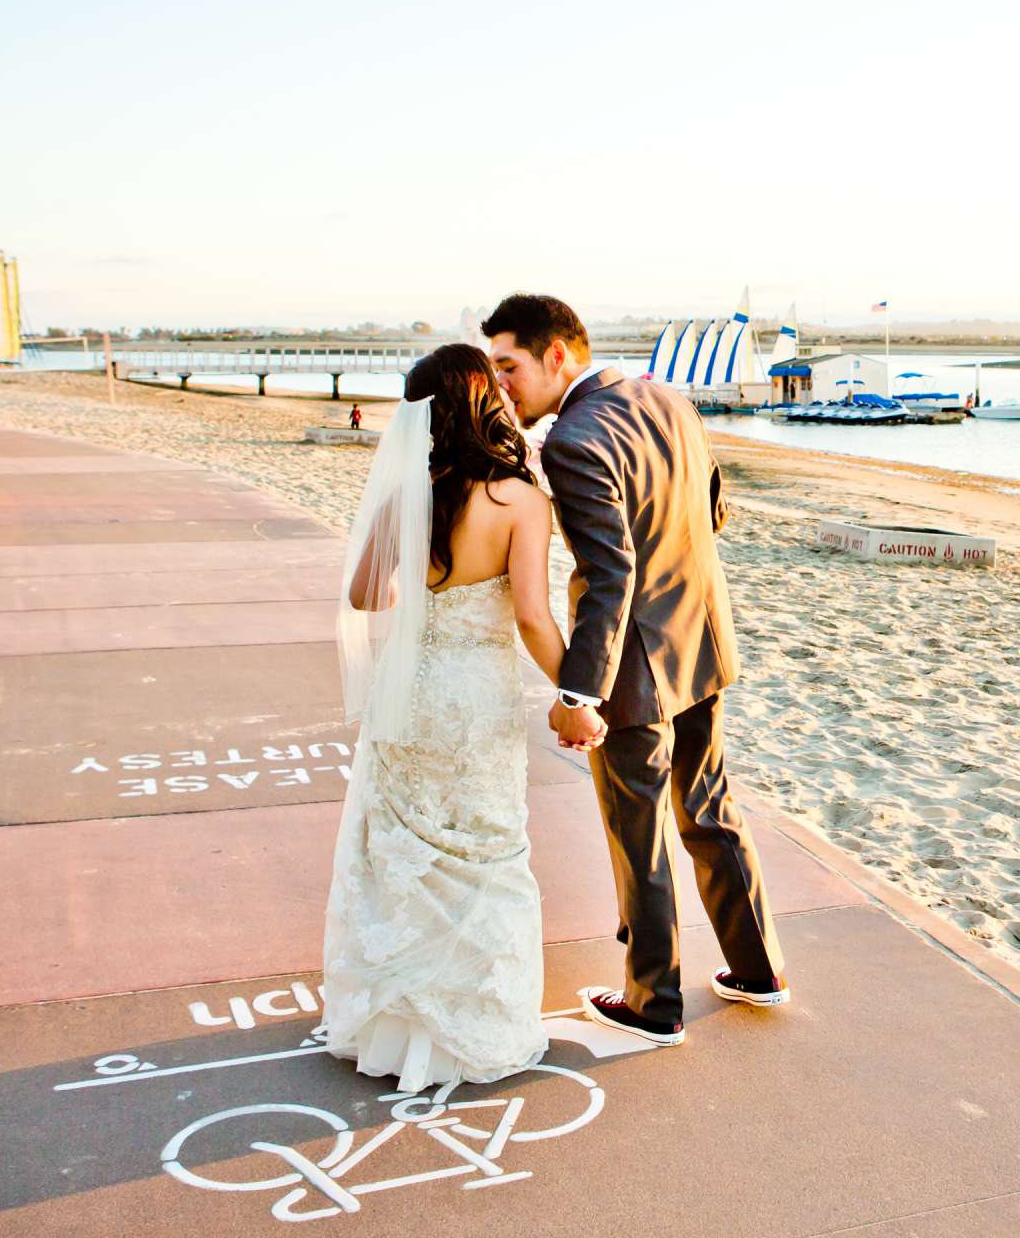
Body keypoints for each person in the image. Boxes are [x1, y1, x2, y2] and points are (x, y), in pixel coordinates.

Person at [485, 292, 788, 1047]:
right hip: (704, 641)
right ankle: (758, 972)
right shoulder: (668, 398)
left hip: (635, 668)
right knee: (709, 808)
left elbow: (610, 573)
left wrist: (577, 691)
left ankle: (654, 1004)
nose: (501, 386)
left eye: (508, 366)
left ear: (559, 355)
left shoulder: (572, 441)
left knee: (639, 831)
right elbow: (712, 509)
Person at [321, 344, 567, 1089]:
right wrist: (582, 688)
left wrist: (423, 596)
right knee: (484, 853)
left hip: (410, 693)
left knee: (402, 852)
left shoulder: (408, 491)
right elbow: (530, 618)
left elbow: (367, 596)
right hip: (475, 696)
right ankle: (476, 1028)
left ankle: (395, 1032)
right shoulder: (521, 499)